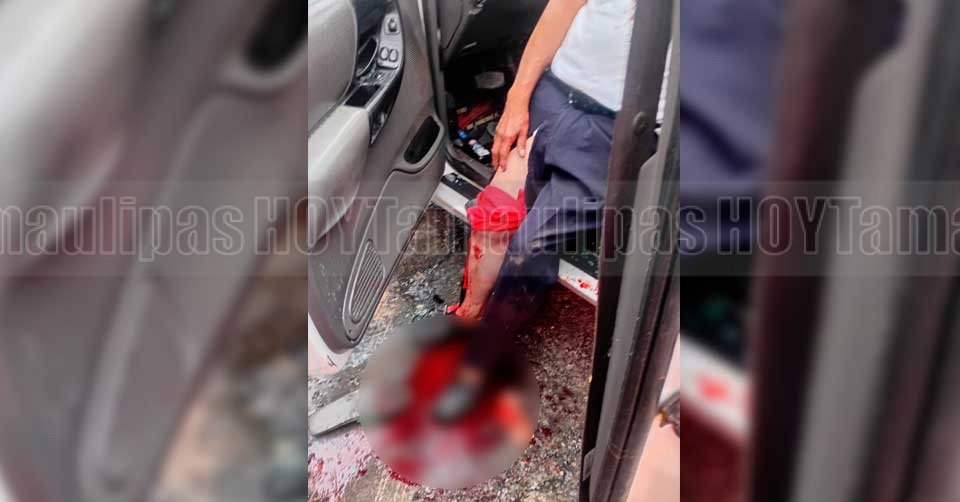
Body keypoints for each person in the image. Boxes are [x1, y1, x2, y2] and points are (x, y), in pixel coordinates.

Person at [435, 0, 650, 421]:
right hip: (555, 94)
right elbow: (562, 8)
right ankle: (471, 312)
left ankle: (484, 360)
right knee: (495, 214)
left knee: (528, 247)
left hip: (618, 129)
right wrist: (517, 99)